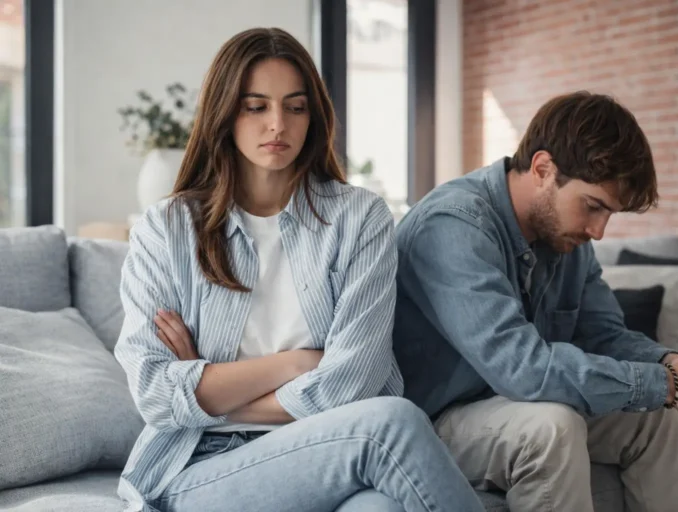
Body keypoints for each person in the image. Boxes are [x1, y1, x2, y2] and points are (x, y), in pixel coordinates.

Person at [113, 27, 485, 512]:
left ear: (314, 115)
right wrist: (296, 363)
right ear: (225, 111)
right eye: (256, 106)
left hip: (325, 448)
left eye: (295, 106)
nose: (278, 125)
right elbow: (156, 395)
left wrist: (213, 393)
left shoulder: (359, 218)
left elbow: (351, 382)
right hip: (199, 469)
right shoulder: (166, 230)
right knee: (392, 423)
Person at [392, 91, 678, 512]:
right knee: (553, 427)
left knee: (654, 417)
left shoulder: (566, 240)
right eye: (593, 206)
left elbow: (604, 335)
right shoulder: (454, 226)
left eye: (609, 214)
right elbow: (522, 369)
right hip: (432, 420)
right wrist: (667, 385)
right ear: (544, 168)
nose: (599, 231)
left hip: (509, 404)